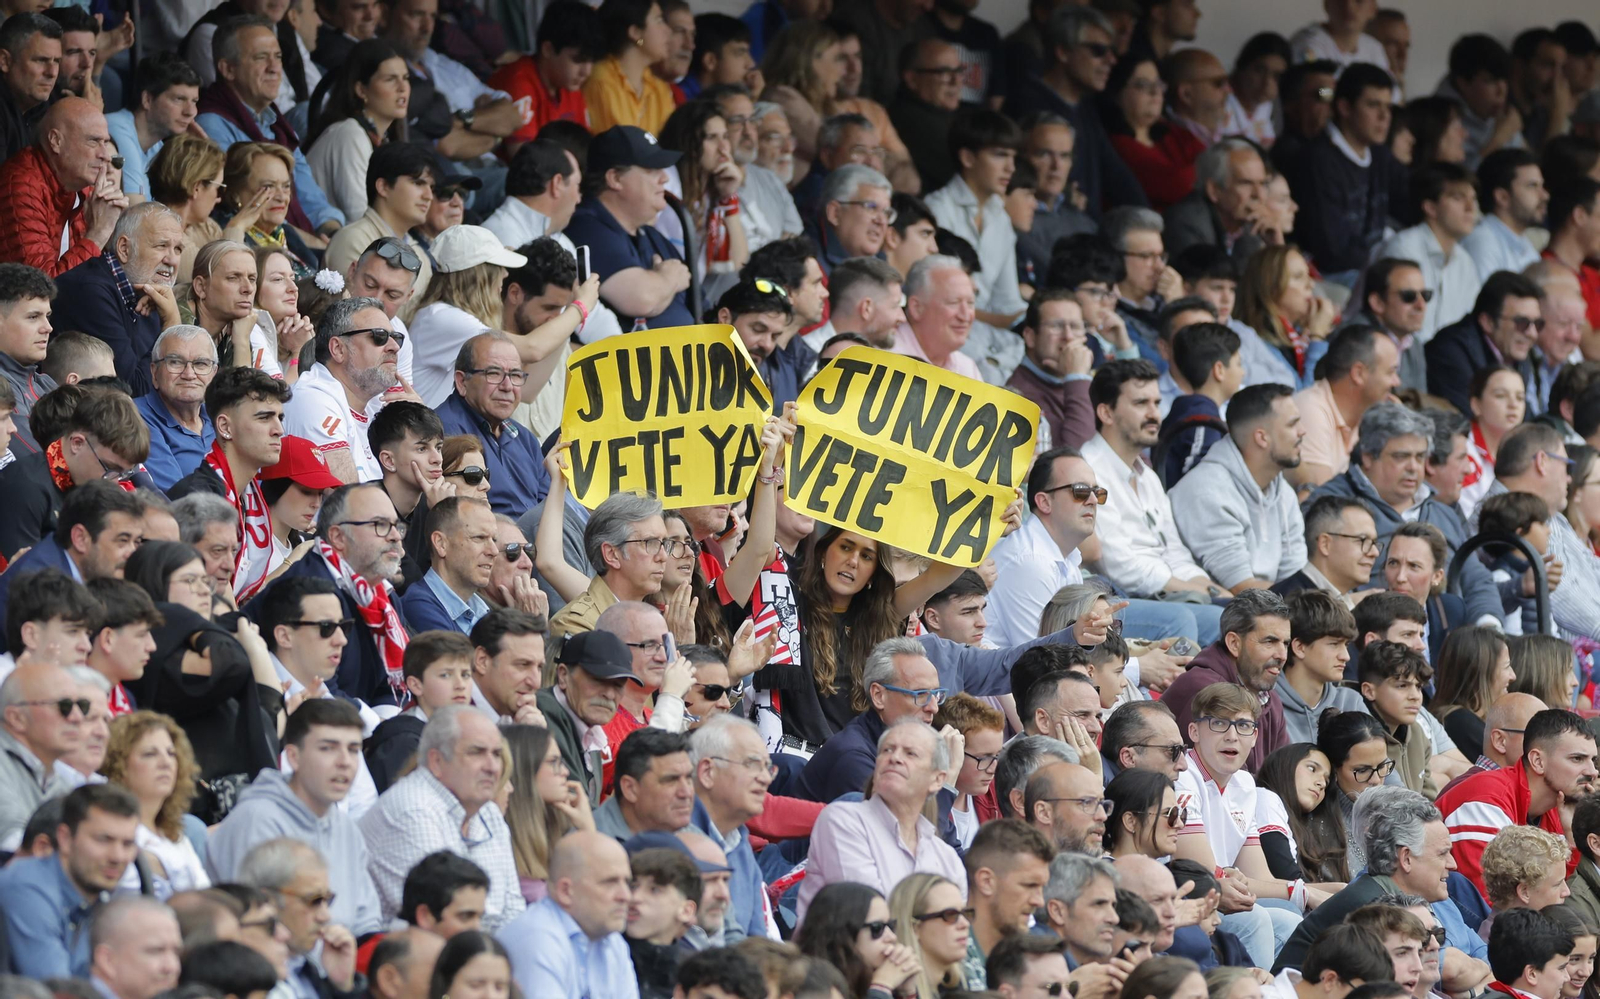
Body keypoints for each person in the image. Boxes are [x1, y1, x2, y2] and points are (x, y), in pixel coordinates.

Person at [205, 698, 382, 934]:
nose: (344, 762)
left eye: (353, 750)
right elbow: (255, 930)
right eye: (328, 748)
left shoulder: (346, 829)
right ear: (293, 757)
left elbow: (367, 923)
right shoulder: (256, 821)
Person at [1082, 359, 1225, 630]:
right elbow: (1117, 565)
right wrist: (1201, 595)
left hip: (1168, 592)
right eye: (1140, 404)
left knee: (1249, 615)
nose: (1154, 415)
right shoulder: (1087, 470)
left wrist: (1215, 592)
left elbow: (1173, 550)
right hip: (1118, 599)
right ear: (1106, 413)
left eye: (1157, 403)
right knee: (1218, 621)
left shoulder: (1147, 476)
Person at [359, 705, 525, 930]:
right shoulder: (414, 811)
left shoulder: (489, 812)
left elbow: (514, 913)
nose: (493, 767)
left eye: (496, 754)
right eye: (476, 752)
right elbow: (443, 922)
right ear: (436, 761)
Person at [798, 718, 965, 921]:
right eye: (887, 750)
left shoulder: (946, 859)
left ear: (938, 780)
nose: (894, 758)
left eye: (910, 753)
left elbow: (955, 933)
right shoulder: (842, 822)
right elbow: (870, 917)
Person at [194, 15, 345, 238]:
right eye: (261, 58)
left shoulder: (279, 126)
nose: (275, 68)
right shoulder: (210, 125)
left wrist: (331, 231)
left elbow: (310, 197)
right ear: (228, 69)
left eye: (278, 57)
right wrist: (312, 244)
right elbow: (239, 207)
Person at [1435, 708, 1595, 900]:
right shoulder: (1485, 801)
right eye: (1577, 759)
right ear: (1538, 761)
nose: (1592, 772)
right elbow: (1493, 902)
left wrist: (1571, 836)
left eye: (1593, 760)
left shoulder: (1558, 807)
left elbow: (1561, 894)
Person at [1002, 7, 1145, 219]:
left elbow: (1117, 176)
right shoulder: (1025, 103)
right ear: (1063, 52)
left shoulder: (1085, 106)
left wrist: (1148, 221)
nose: (1111, 60)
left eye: (1112, 51)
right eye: (1098, 51)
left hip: (1082, 231)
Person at [1171, 383, 1308, 592]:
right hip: (1225, 613)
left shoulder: (1284, 493)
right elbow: (1242, 588)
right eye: (1292, 424)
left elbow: (1295, 576)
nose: (1302, 431)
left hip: (1270, 609)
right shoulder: (1207, 491)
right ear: (1262, 437)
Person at [924, 107, 1027, 384]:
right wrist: (1005, 321)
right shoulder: (936, 210)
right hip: (943, 331)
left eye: (1013, 157)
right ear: (968, 157)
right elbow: (930, 298)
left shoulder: (1001, 218)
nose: (1011, 167)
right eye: (999, 155)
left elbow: (1008, 301)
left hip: (988, 336)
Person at [0, 782, 140, 979]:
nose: (117, 857)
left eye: (127, 844)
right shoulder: (26, 886)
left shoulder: (100, 899)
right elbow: (58, 990)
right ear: (65, 838)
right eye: (103, 840)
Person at [0, 386, 150, 562]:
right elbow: (27, 579)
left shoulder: (94, 483)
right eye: (110, 469)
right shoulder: (24, 486)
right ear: (77, 443)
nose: (116, 483)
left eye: (125, 473)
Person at [49, 203, 183, 397]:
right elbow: (131, 391)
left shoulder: (149, 292)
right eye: (161, 246)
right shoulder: (89, 291)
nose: (172, 260)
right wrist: (171, 326)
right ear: (124, 249)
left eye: (178, 249)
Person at [795, 637, 946, 803]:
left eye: (936, 694)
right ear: (878, 696)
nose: (933, 707)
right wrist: (948, 780)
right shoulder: (853, 757)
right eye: (920, 694)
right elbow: (907, 826)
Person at [1283, 62, 1397, 281]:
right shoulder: (1316, 160)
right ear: (1344, 107)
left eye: (1388, 107)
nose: (1385, 116)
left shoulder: (1381, 155)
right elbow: (1332, 253)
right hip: (1328, 275)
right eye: (1373, 105)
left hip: (1368, 266)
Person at [491, 828, 636, 998]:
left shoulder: (613, 941)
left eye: (627, 882)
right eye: (609, 882)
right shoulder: (537, 937)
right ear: (566, 891)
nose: (626, 896)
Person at [0, 97, 126, 278]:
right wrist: (99, 233)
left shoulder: (81, 188)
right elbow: (43, 291)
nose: (105, 155)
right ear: (56, 141)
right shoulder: (21, 187)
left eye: (105, 143)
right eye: (93, 141)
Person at [281, 296, 402, 484]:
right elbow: (347, 500)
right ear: (338, 349)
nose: (394, 347)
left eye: (396, 338)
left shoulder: (377, 405)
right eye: (379, 336)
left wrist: (416, 423)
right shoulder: (313, 397)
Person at [320, 142, 436, 303]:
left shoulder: (421, 254)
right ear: (383, 186)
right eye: (418, 183)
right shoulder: (353, 238)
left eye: (431, 187)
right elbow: (355, 314)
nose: (429, 195)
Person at [1427, 271, 1546, 418]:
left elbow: (1523, 418)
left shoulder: (1517, 353)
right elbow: (1471, 419)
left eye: (1538, 324)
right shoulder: (1450, 351)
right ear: (1488, 322)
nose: (1532, 334)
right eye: (1522, 323)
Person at [486, 1, 602, 140]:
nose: (586, 72)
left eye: (591, 61)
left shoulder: (569, 84)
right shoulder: (518, 82)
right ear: (548, 49)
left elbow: (585, 146)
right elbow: (523, 157)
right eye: (577, 60)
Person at [136, 326, 220, 493]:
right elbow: (180, 500)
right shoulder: (136, 416)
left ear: (214, 373)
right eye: (175, 362)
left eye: (200, 364)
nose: (189, 374)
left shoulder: (220, 418)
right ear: (154, 373)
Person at [1272, 496, 1380, 604]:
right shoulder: (1286, 605)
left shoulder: (1340, 602)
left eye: (1374, 542)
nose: (1375, 552)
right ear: (1325, 544)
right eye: (1363, 540)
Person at [1430, 628, 1515, 760]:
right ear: (1481, 673)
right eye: (1506, 666)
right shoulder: (1460, 723)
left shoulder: (1465, 720)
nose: (1513, 676)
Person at [1462, 149, 1547, 280]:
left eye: (1542, 186)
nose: (1545, 195)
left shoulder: (1527, 246)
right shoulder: (1483, 242)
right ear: (1502, 197)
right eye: (1532, 186)